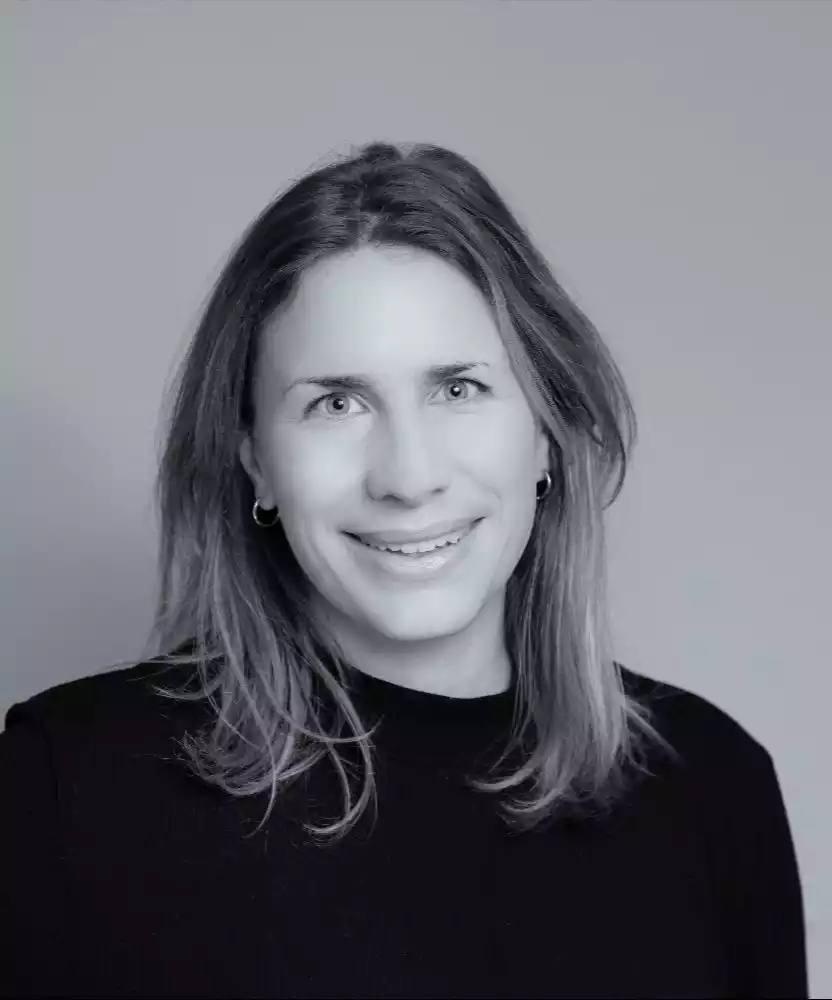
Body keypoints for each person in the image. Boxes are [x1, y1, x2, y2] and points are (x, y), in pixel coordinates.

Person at [0, 140, 808, 998]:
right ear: (256, 461)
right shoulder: (65, 785)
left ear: (546, 432)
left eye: (458, 389)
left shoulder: (712, 784)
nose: (409, 476)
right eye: (336, 403)